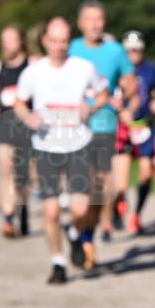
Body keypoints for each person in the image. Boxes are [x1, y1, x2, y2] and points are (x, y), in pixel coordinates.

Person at [13, 18, 109, 284]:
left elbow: (103, 93)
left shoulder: (83, 68)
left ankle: (75, 234)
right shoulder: (33, 72)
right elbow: (20, 102)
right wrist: (27, 117)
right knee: (51, 211)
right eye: (54, 41)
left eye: (64, 41)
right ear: (44, 41)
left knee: (79, 211)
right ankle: (58, 262)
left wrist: (90, 107)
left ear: (70, 40)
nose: (59, 46)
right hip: (45, 145)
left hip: (78, 143)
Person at [68, 1, 137, 268]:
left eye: (99, 19)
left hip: (106, 128)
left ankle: (84, 236)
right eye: (89, 19)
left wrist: (124, 99)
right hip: (75, 131)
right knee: (84, 196)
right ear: (80, 23)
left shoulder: (115, 51)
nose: (94, 24)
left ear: (104, 22)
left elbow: (130, 83)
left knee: (102, 193)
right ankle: (79, 235)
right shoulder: (71, 49)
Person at [112, 30, 155, 235]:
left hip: (144, 127)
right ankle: (119, 205)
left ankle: (136, 215)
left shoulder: (151, 69)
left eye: (137, 50)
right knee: (121, 183)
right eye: (129, 50)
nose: (133, 54)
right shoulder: (117, 70)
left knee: (146, 174)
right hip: (122, 128)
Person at [0, 24, 31, 237]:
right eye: (4, 40)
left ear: (21, 41)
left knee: (23, 177)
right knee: (6, 171)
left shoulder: (32, 66)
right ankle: (8, 217)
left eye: (11, 39)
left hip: (27, 127)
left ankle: (23, 208)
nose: (6, 44)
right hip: (5, 126)